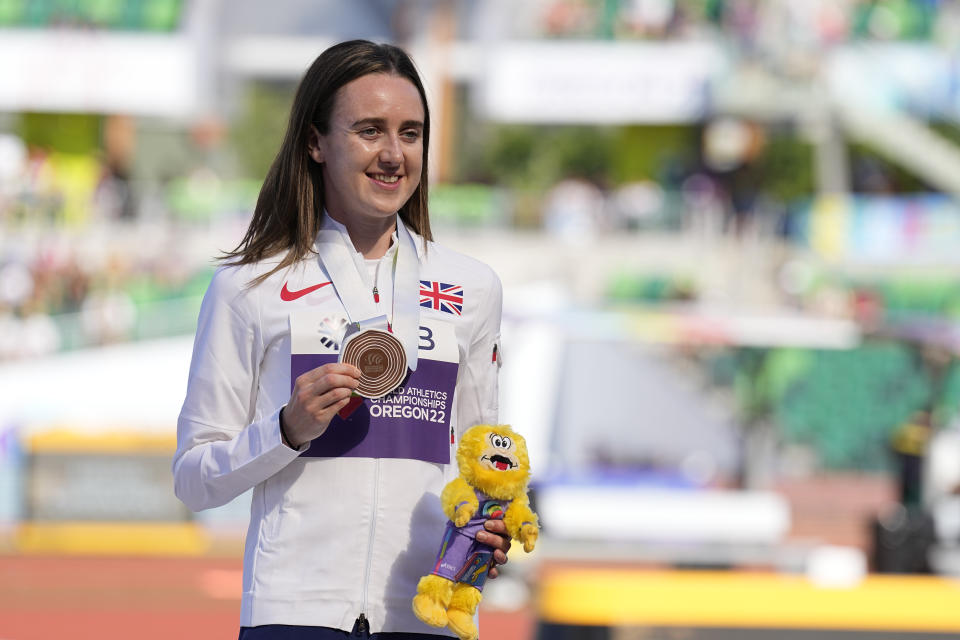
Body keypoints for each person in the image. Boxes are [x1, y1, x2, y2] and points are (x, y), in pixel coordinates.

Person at [173, 40, 509, 639]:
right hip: (295, 612)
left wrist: (489, 525)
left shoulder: (474, 287)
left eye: (411, 132)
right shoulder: (248, 286)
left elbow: (483, 462)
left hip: (424, 617)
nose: (393, 154)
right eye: (369, 130)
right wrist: (287, 430)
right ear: (315, 142)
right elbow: (194, 479)